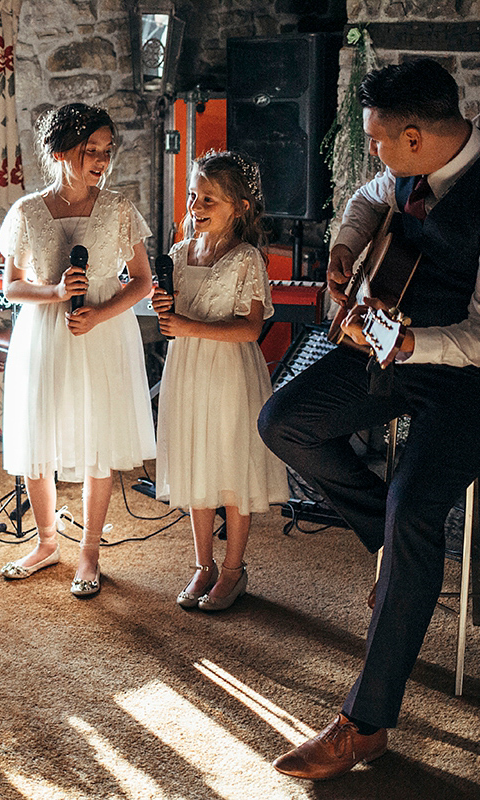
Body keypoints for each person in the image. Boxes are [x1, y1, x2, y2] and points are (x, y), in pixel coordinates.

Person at [258, 58, 480, 779]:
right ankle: (388, 547)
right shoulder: (406, 169)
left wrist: (405, 341)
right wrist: (344, 246)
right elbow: (368, 198)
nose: (374, 154)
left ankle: (364, 725)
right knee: (285, 420)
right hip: (399, 342)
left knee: (415, 506)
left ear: (419, 136)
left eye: (381, 141)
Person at [0, 103, 156, 598]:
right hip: (44, 331)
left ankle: (89, 550)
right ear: (61, 151)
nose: (102, 161)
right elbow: (11, 287)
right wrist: (56, 294)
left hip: (102, 333)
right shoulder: (26, 212)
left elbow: (144, 284)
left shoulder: (119, 210)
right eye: (91, 150)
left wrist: (98, 313)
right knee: (38, 432)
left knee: (97, 438)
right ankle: (46, 543)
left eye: (107, 152)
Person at [152, 151, 289, 612]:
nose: (197, 205)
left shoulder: (246, 258)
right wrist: (165, 310)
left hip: (231, 374)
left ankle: (233, 571)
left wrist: (186, 326)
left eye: (209, 197)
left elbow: (251, 329)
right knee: (196, 462)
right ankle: (202, 565)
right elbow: (174, 313)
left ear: (241, 207)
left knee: (230, 466)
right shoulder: (178, 253)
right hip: (187, 370)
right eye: (194, 195)